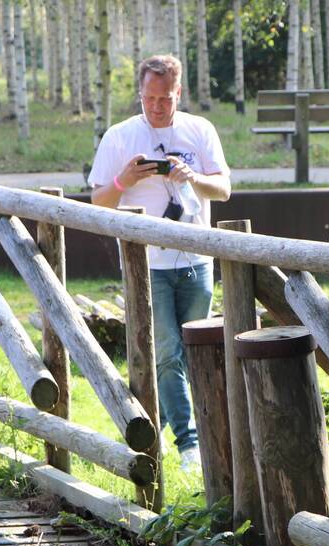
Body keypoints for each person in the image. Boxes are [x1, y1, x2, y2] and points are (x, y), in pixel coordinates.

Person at [88, 54, 231, 470]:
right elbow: (97, 202)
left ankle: (152, 427)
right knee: (167, 352)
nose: (156, 106)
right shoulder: (119, 136)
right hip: (146, 263)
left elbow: (222, 190)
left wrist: (191, 178)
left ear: (179, 93)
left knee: (188, 354)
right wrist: (125, 181)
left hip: (196, 258)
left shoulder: (200, 130)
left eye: (165, 98)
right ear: (140, 93)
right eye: (149, 97)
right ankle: (190, 445)